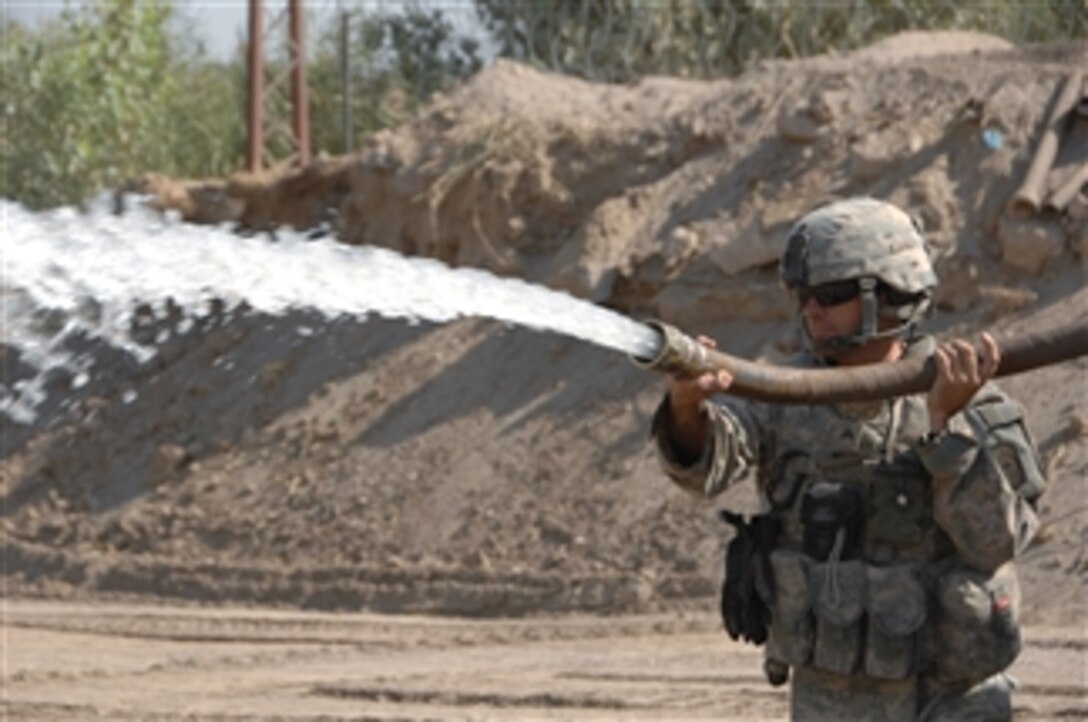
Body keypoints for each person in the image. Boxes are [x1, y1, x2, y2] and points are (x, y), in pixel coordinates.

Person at [652, 197, 1046, 721]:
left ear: (893, 295)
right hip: (829, 697)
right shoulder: (783, 397)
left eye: (832, 295)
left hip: (951, 698)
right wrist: (685, 408)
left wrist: (946, 429)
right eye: (804, 294)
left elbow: (996, 540)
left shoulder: (975, 403)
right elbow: (703, 468)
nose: (812, 309)